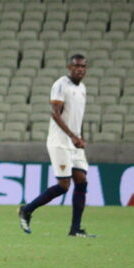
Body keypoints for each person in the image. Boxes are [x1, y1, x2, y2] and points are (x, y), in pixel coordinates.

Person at [19, 54, 95, 237]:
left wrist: (80, 138)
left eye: (83, 66)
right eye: (77, 66)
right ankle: (27, 210)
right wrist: (72, 136)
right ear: (70, 67)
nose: (80, 69)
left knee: (81, 181)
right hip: (59, 142)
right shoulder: (61, 84)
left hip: (74, 143)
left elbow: (78, 117)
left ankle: (75, 229)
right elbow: (55, 114)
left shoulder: (82, 88)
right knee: (63, 186)